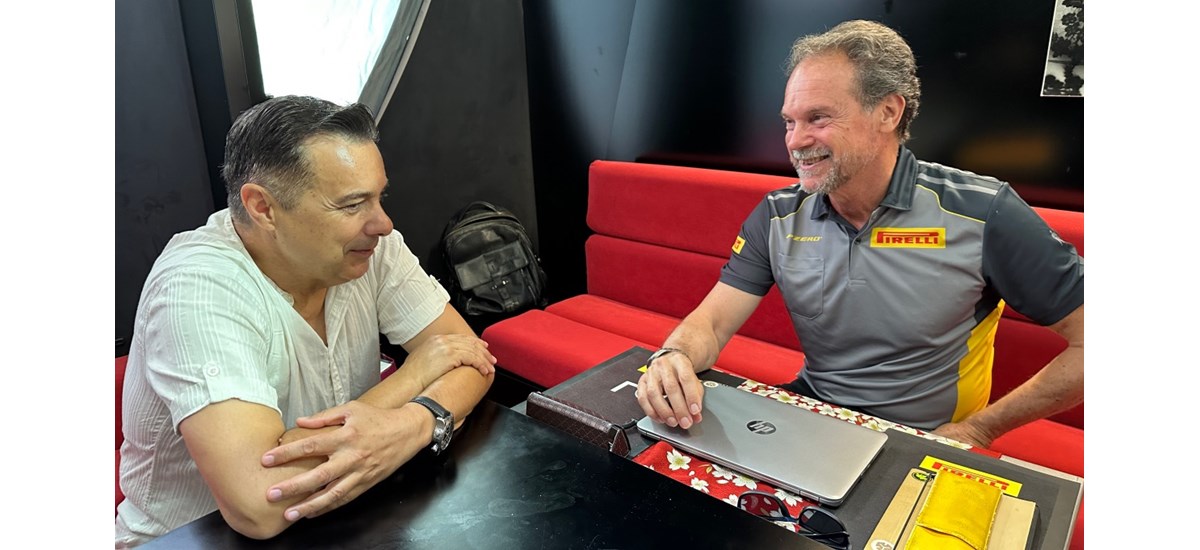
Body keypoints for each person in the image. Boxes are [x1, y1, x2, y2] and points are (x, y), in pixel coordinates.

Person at [635, 20, 1083, 450]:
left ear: (888, 112)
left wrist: (979, 430)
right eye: (790, 121)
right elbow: (711, 324)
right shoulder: (777, 215)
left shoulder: (983, 212)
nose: (795, 141)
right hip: (811, 415)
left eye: (818, 118)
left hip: (923, 439)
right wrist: (675, 356)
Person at [116, 95, 496, 547]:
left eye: (380, 197)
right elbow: (260, 504)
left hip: (340, 518)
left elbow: (471, 360)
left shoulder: (368, 248)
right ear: (263, 208)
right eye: (352, 204)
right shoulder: (197, 286)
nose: (383, 223)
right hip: (189, 539)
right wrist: (413, 377)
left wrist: (415, 422)